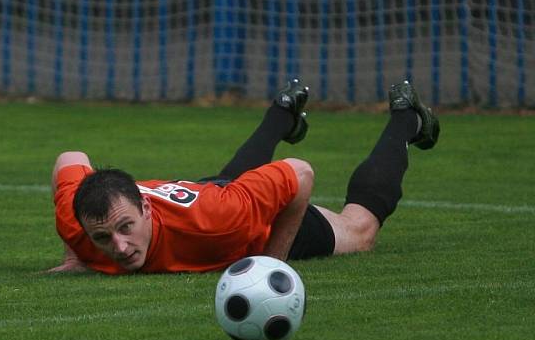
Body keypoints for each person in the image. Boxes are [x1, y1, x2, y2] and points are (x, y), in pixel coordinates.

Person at [47, 79, 440, 274]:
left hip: (249, 222)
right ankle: (284, 112)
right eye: (102, 237)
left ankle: (407, 118)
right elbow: (71, 156)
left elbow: (299, 173)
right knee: (228, 185)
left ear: (145, 206)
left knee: (360, 230)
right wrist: (76, 253)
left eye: (125, 227)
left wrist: (273, 262)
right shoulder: (81, 223)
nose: (117, 245)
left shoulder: (219, 222)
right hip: (208, 195)